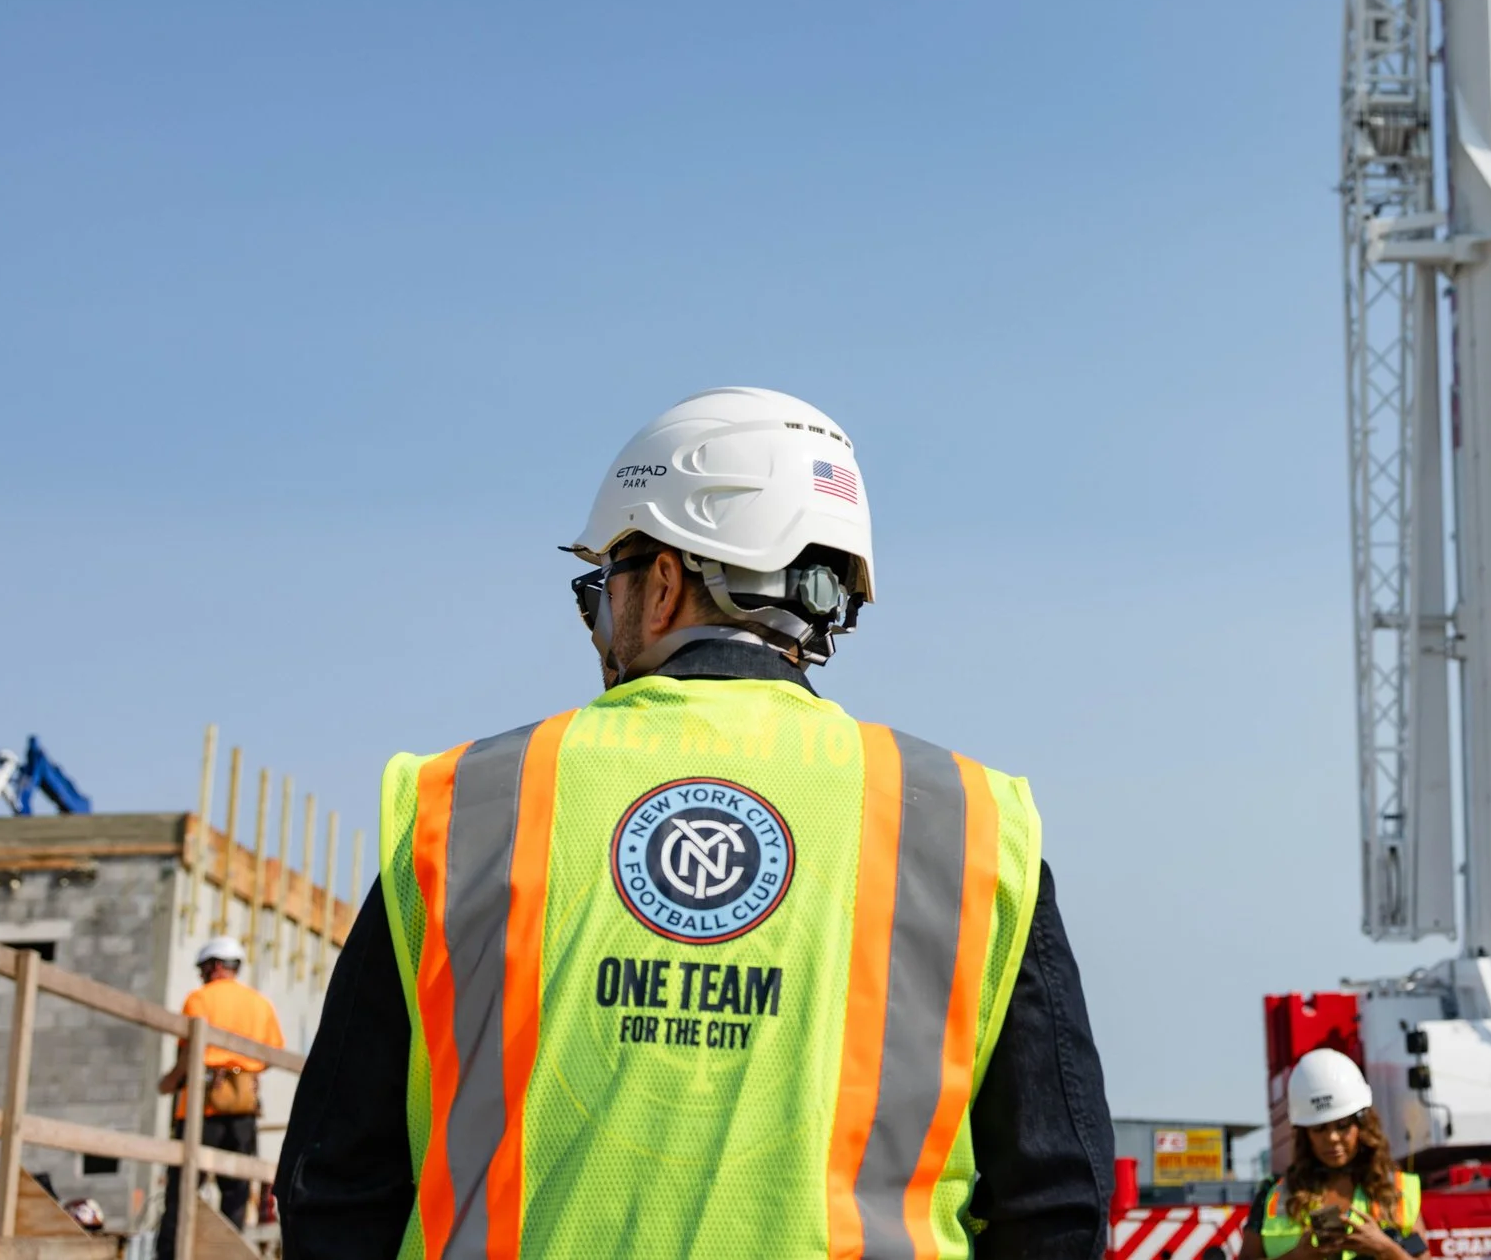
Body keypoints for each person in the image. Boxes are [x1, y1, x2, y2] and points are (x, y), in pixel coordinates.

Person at [279, 388, 1114, 1260]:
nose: (598, 622)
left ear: (666, 582)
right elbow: (1056, 1200)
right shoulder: (963, 821)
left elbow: (335, 1182)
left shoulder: (471, 803)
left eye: (600, 588)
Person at [156, 935, 283, 1256]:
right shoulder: (260, 1004)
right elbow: (272, 1054)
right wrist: (243, 1068)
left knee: (183, 1189)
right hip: (243, 1108)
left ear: (213, 966)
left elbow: (188, 1053)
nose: (200, 974)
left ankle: (171, 1253)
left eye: (203, 968)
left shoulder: (198, 999)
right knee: (237, 1190)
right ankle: (229, 1254)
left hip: (201, 1106)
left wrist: (169, 1082)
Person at [1248, 1050, 1425, 1259]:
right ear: (1306, 1134)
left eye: (1342, 1126)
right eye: (1319, 1129)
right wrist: (1299, 1255)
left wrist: (1385, 1249)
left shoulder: (1397, 1189)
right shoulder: (1273, 1195)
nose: (1332, 1137)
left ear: (1362, 1125)